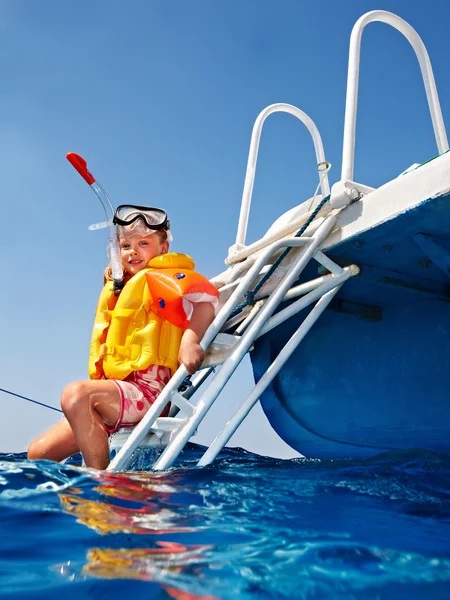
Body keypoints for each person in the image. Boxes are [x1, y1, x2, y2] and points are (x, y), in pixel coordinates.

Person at [28, 205, 218, 470]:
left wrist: (190, 340)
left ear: (163, 248)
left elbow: (205, 302)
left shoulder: (161, 279)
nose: (134, 251)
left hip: (148, 395)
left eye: (143, 243)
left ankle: (98, 483)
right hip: (114, 395)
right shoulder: (122, 286)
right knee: (38, 454)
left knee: (76, 394)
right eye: (126, 245)